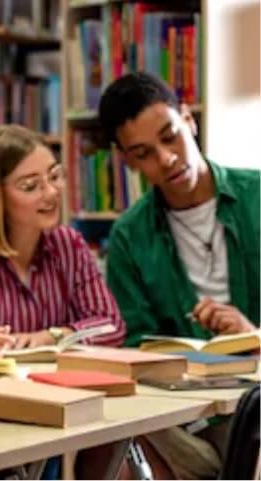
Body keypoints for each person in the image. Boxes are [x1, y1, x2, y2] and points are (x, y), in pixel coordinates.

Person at [99, 71, 260, 479]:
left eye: (170, 136)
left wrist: (252, 336)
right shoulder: (129, 237)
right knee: (115, 425)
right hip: (183, 410)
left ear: (188, 119)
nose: (166, 159)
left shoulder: (257, 197)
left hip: (254, 396)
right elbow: (135, 348)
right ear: (128, 161)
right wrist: (195, 358)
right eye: (144, 153)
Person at [0, 124, 125, 361]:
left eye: (55, 176)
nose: (51, 192)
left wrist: (54, 336)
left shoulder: (69, 244)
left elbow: (111, 325)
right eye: (30, 186)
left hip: (50, 388)